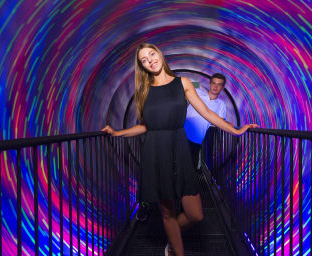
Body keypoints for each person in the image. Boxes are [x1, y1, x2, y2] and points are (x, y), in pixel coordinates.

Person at [101, 43, 258, 256]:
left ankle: (172, 239)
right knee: (168, 213)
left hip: (179, 149)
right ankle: (175, 250)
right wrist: (118, 133)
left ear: (159, 54)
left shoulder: (182, 83)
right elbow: (146, 125)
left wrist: (236, 130)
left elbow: (207, 113)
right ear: (142, 66)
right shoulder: (144, 90)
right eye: (144, 60)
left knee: (196, 214)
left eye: (151, 54)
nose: (150, 61)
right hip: (155, 152)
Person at [184, 73, 228, 171]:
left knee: (191, 169)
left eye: (219, 84)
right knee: (175, 165)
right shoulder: (198, 92)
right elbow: (184, 83)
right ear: (209, 84)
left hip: (196, 140)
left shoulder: (221, 104)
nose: (215, 86)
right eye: (213, 83)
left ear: (223, 87)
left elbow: (220, 122)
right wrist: (198, 83)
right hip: (182, 135)